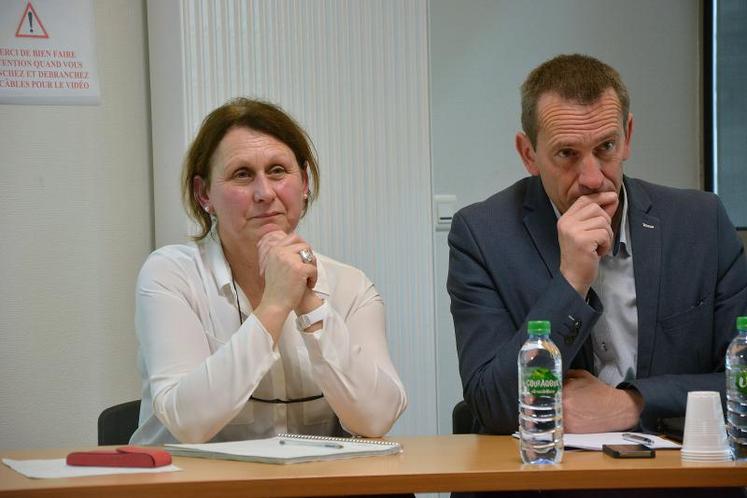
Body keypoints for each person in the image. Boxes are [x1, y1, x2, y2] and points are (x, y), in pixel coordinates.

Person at [447, 54, 747, 440]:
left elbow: (740, 382)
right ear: (528, 155)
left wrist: (630, 404)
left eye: (606, 146)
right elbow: (492, 406)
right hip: (544, 477)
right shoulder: (483, 235)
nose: (592, 178)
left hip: (674, 474)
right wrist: (571, 282)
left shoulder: (700, 223)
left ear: (628, 137)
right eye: (567, 154)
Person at [131, 98, 407, 445]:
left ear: (304, 183)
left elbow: (378, 418)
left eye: (278, 171)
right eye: (242, 175)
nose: (264, 193)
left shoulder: (351, 286)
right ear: (204, 195)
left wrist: (308, 302)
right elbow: (188, 423)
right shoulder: (170, 274)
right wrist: (275, 305)